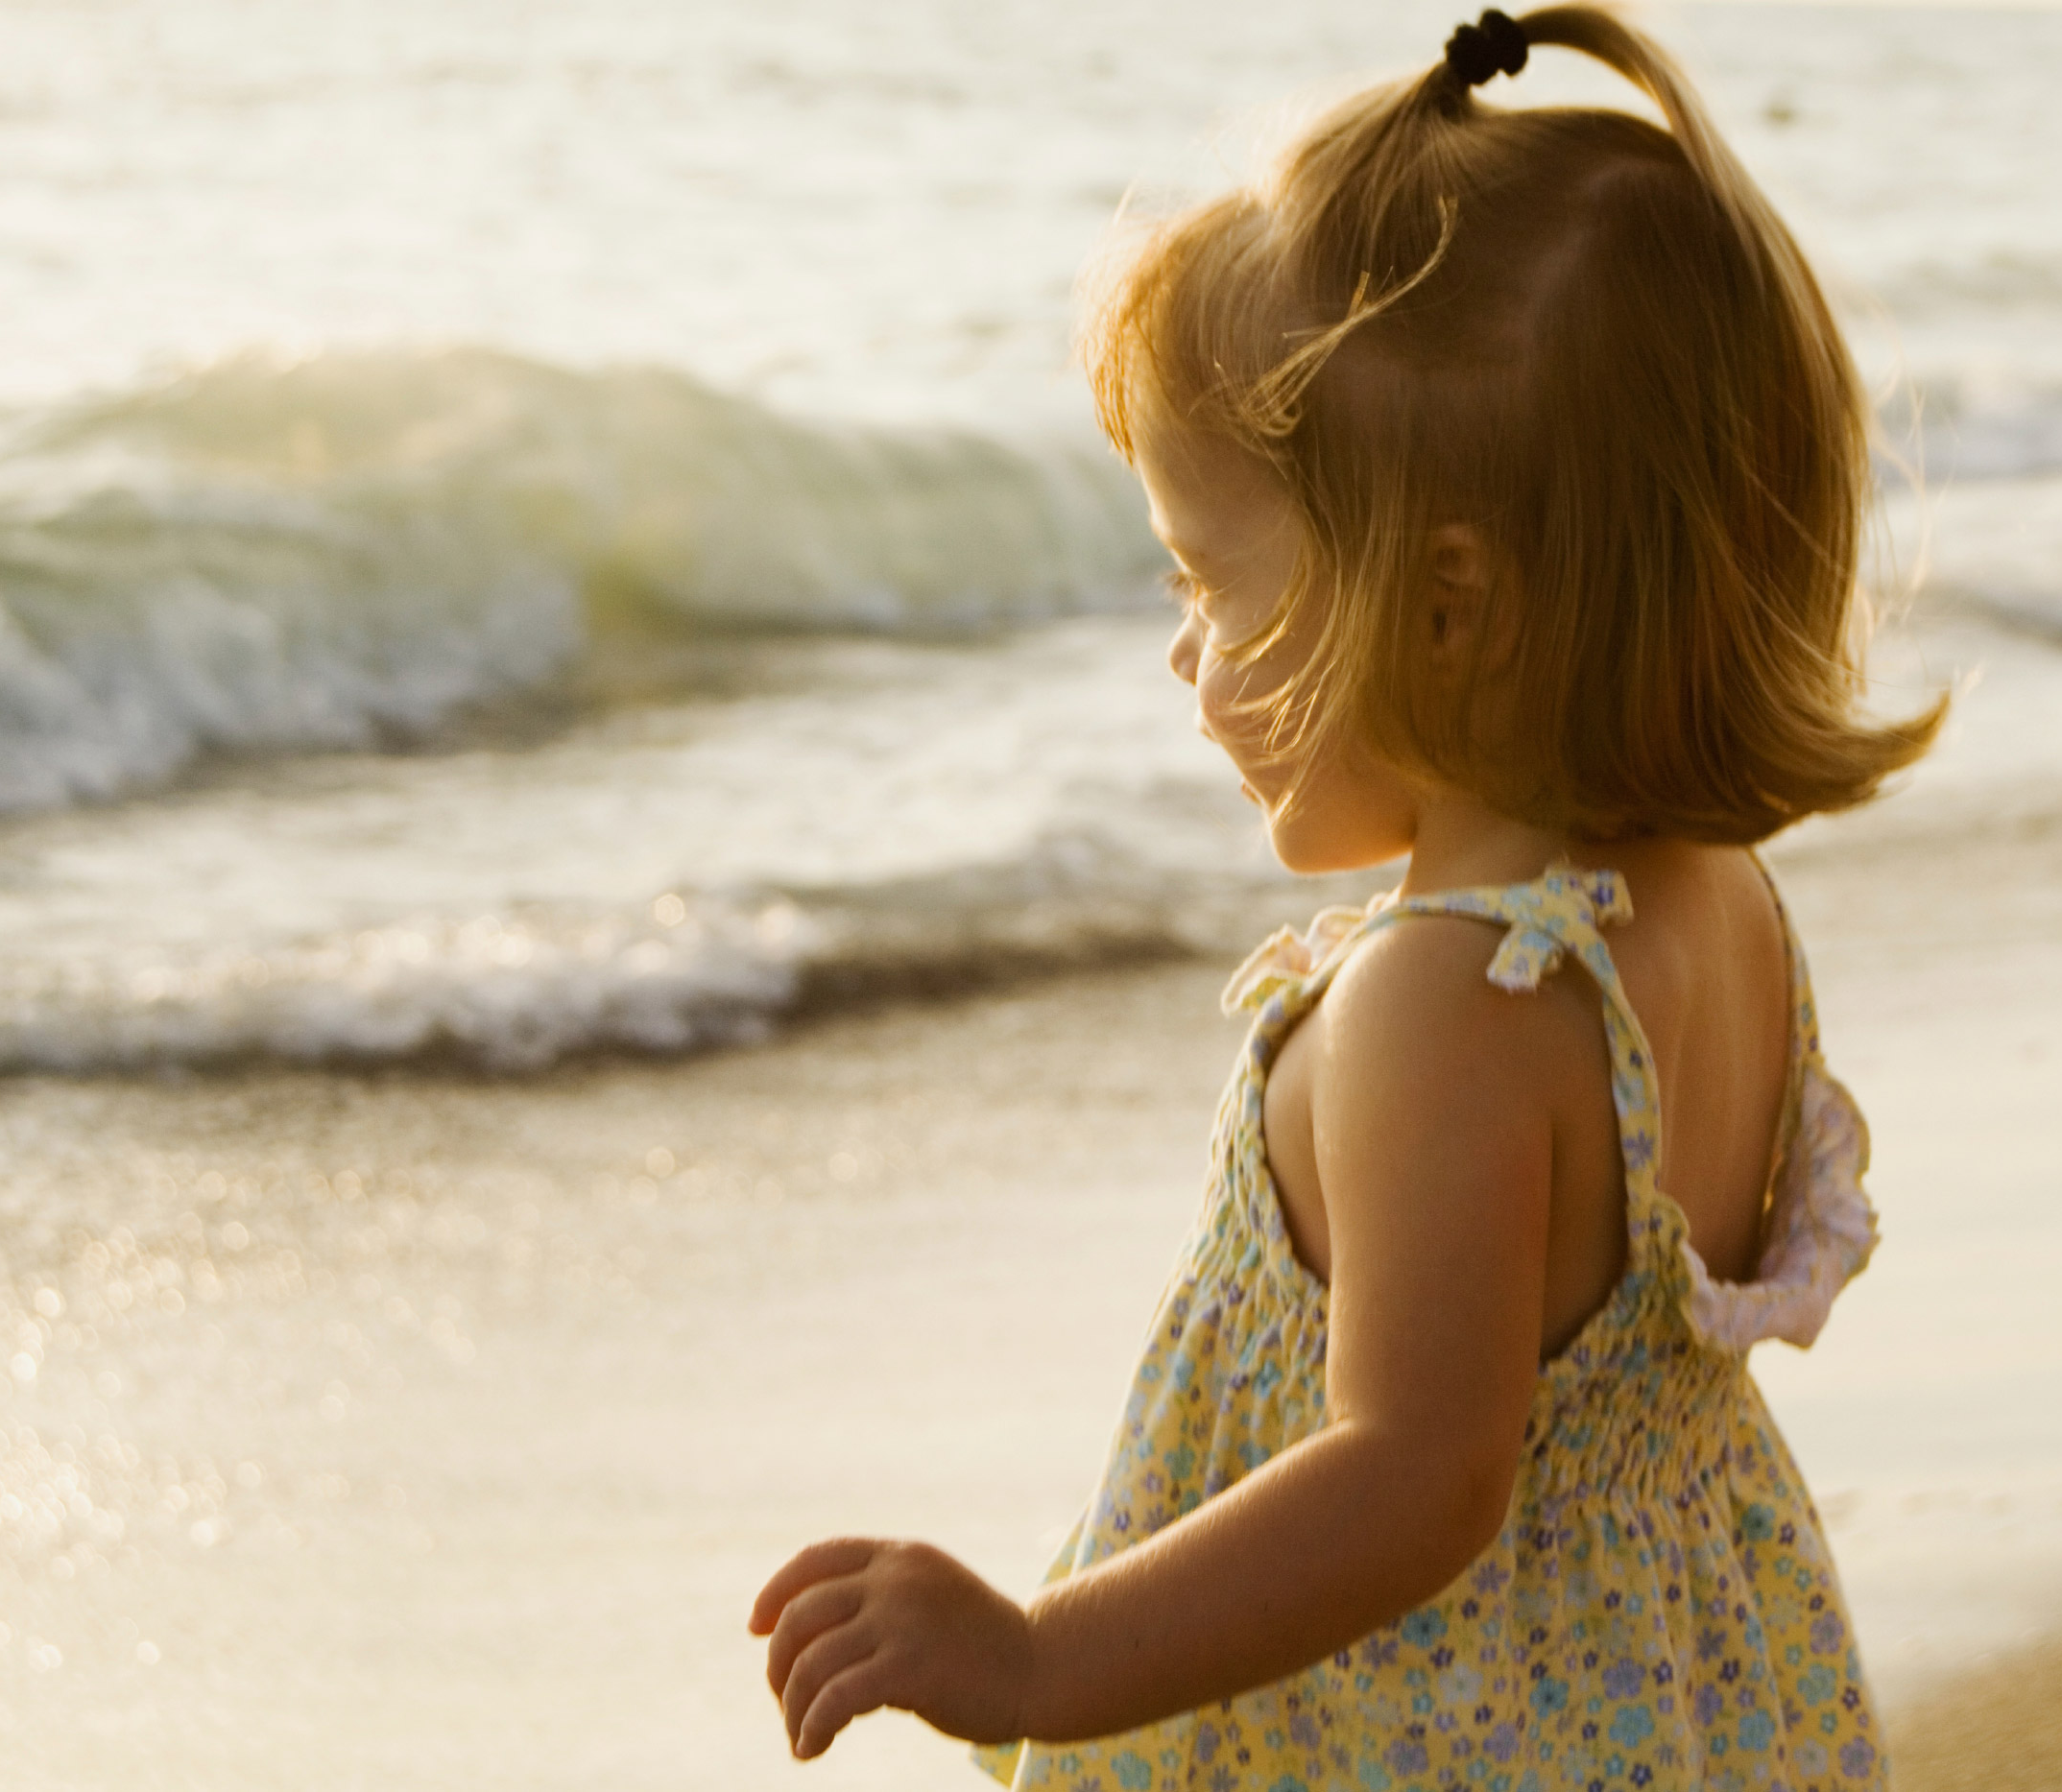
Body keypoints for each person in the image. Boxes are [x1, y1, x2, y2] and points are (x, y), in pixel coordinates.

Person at [749, 9, 1945, 1788]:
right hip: (1670, 1697)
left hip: (1432, 1734)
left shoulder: (1448, 1009)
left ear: (1442, 603)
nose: (1184, 651)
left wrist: (1036, 1658)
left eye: (1213, 583)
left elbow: (1418, 1475)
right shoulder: (1716, 904)